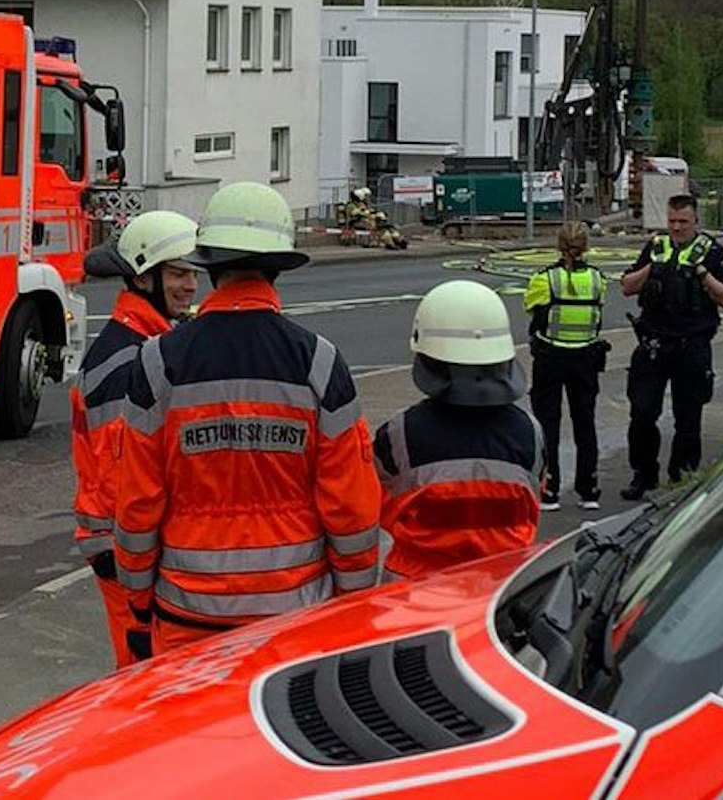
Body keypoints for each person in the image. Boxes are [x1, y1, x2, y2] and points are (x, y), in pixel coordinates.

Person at [114, 182, 382, 654]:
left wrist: (137, 594)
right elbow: (351, 507)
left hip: (186, 614)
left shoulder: (157, 362)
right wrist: (353, 600)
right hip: (293, 618)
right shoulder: (320, 362)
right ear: (278, 267)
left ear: (210, 266)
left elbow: (138, 501)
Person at [70, 210, 199, 667]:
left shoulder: (148, 342)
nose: (191, 285)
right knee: (142, 678)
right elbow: (118, 478)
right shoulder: (125, 362)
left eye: (194, 273)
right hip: (124, 552)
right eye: (179, 273)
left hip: (126, 547)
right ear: (144, 279)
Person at [374, 280, 543, 580]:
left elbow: (376, 507)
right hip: (499, 591)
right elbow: (532, 504)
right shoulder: (531, 432)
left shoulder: (399, 434)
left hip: (414, 596)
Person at [619, 194, 723, 500]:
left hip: (692, 345)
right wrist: (652, 269)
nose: (676, 227)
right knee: (642, 412)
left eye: (683, 221)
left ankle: (681, 477)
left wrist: (702, 273)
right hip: (654, 343)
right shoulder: (657, 247)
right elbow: (627, 286)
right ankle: (643, 475)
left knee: (689, 416)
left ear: (696, 221)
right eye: (672, 221)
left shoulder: (710, 251)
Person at [522, 220, 608, 510]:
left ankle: (550, 489)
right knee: (585, 422)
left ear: (558, 246)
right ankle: (589, 489)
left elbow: (531, 307)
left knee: (548, 424)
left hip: (550, 357)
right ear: (587, 246)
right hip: (586, 358)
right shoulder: (597, 279)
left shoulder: (544, 279)